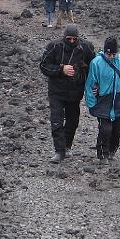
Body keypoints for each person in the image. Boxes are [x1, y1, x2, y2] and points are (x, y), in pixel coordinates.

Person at [40, 25, 95, 163]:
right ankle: (59, 151)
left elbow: (94, 67)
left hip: (75, 91)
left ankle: (67, 145)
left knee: (73, 121)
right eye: (69, 39)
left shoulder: (86, 48)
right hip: (56, 91)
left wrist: (90, 79)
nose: (71, 41)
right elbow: (44, 66)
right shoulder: (54, 46)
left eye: (74, 39)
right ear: (64, 37)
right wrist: (61, 68)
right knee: (56, 120)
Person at [85, 36, 120, 162]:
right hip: (103, 101)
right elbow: (90, 84)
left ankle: (112, 151)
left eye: (113, 54)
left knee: (117, 129)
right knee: (105, 129)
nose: (110, 56)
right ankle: (103, 154)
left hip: (119, 100)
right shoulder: (96, 63)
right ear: (104, 51)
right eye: (108, 53)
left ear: (117, 52)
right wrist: (91, 103)